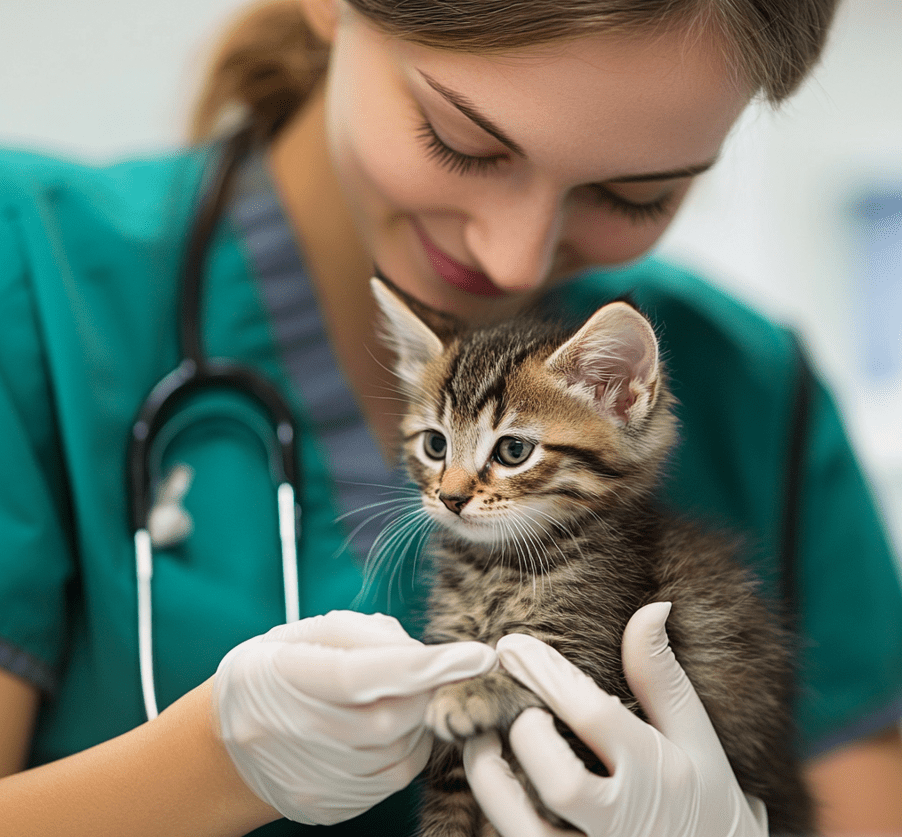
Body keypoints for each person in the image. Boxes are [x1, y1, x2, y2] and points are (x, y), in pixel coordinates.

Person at [1, 0, 901, 834]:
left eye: (636, 194)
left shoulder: (754, 387)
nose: (513, 259)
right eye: (460, 139)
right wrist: (210, 764)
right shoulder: (34, 271)